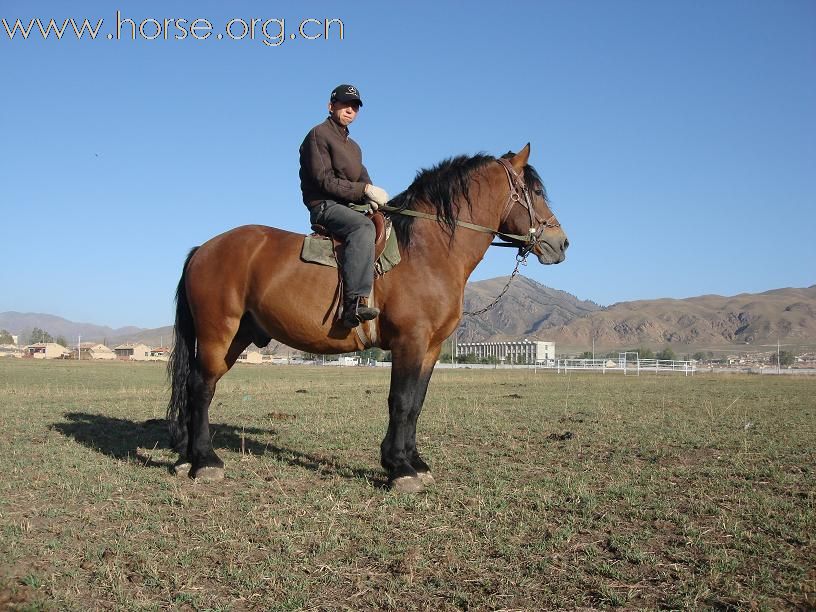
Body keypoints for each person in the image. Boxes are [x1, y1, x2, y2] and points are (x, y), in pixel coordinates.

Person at [299, 84, 389, 328]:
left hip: (349, 206)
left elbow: (362, 177)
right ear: (331, 106)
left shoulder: (354, 147)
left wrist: (372, 198)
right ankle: (353, 304)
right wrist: (365, 191)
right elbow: (323, 180)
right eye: (345, 104)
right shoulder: (318, 135)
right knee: (363, 229)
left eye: (355, 106)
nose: (350, 110)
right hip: (325, 206)